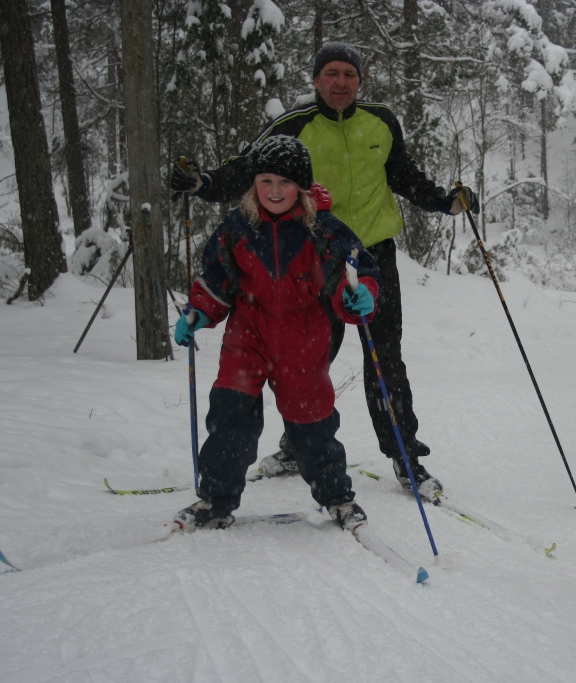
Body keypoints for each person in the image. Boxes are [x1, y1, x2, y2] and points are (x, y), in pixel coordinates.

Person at [171, 41, 477, 499]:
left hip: (372, 257)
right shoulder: (294, 124)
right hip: (312, 258)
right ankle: (298, 445)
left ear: (360, 80)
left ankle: (404, 455)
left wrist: (442, 202)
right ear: (315, 80)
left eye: (348, 75)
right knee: (305, 360)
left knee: (384, 358)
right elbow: (250, 169)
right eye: (331, 73)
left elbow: (404, 174)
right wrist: (205, 184)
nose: (340, 82)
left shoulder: (381, 121)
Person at [171, 135, 381, 532]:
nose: (274, 191)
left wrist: (359, 295)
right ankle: (214, 499)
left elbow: (357, 270)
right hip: (248, 332)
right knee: (230, 415)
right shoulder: (236, 228)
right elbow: (217, 278)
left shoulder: (323, 229)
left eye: (285, 182)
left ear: (300, 187)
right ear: (254, 185)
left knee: (312, 422)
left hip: (304, 335)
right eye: (265, 181)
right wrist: (198, 311)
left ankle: (337, 497)